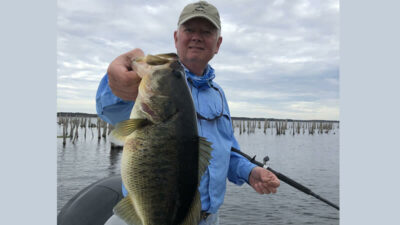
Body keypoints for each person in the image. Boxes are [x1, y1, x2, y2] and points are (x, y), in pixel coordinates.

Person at [96, 1, 280, 225]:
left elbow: (227, 151)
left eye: (206, 31)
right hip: (149, 213)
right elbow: (109, 108)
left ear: (218, 43)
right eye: (189, 30)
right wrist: (114, 81)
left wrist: (250, 173)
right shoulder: (148, 82)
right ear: (176, 37)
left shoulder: (218, 95)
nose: (196, 36)